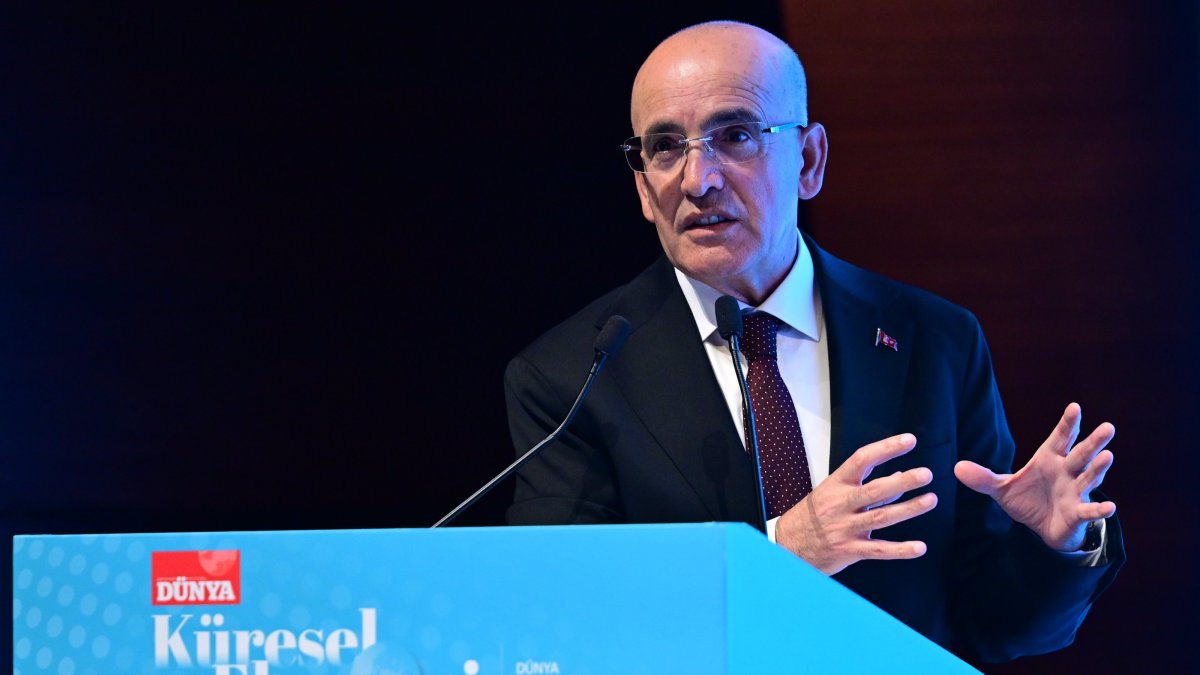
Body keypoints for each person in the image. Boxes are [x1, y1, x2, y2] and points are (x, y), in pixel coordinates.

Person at [503, 20, 1123, 663]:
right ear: (641, 187)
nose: (696, 180)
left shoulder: (935, 340)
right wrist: (777, 554)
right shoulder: (570, 376)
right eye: (665, 147)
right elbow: (564, 614)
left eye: (735, 135)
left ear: (808, 160)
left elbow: (991, 625)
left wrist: (1052, 547)